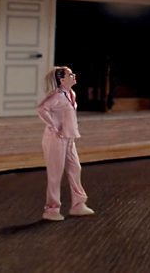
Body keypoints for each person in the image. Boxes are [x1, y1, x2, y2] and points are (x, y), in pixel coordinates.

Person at [36, 65, 95, 221]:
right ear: (61, 80)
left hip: (69, 138)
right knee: (55, 174)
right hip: (56, 139)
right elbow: (41, 109)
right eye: (70, 74)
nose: (73, 76)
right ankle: (52, 209)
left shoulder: (71, 94)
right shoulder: (56, 96)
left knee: (75, 168)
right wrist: (53, 126)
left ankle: (78, 204)